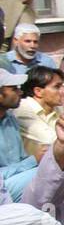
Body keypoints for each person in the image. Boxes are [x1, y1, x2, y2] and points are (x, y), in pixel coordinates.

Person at [0, 71, 37, 199]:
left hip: (17, 179)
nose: (20, 92)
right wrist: (34, 161)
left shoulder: (10, 117)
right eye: (14, 89)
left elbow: (20, 159)